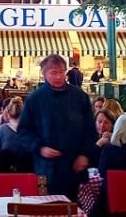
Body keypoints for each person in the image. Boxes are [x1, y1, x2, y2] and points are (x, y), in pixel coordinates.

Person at [17, 54, 97, 199]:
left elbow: (90, 130)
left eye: (61, 72)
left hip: (75, 165)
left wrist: (85, 155)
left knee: (73, 211)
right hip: (47, 167)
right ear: (44, 74)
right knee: (49, 209)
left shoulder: (80, 97)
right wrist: (39, 148)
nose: (59, 77)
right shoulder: (35, 100)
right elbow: (23, 131)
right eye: (53, 73)